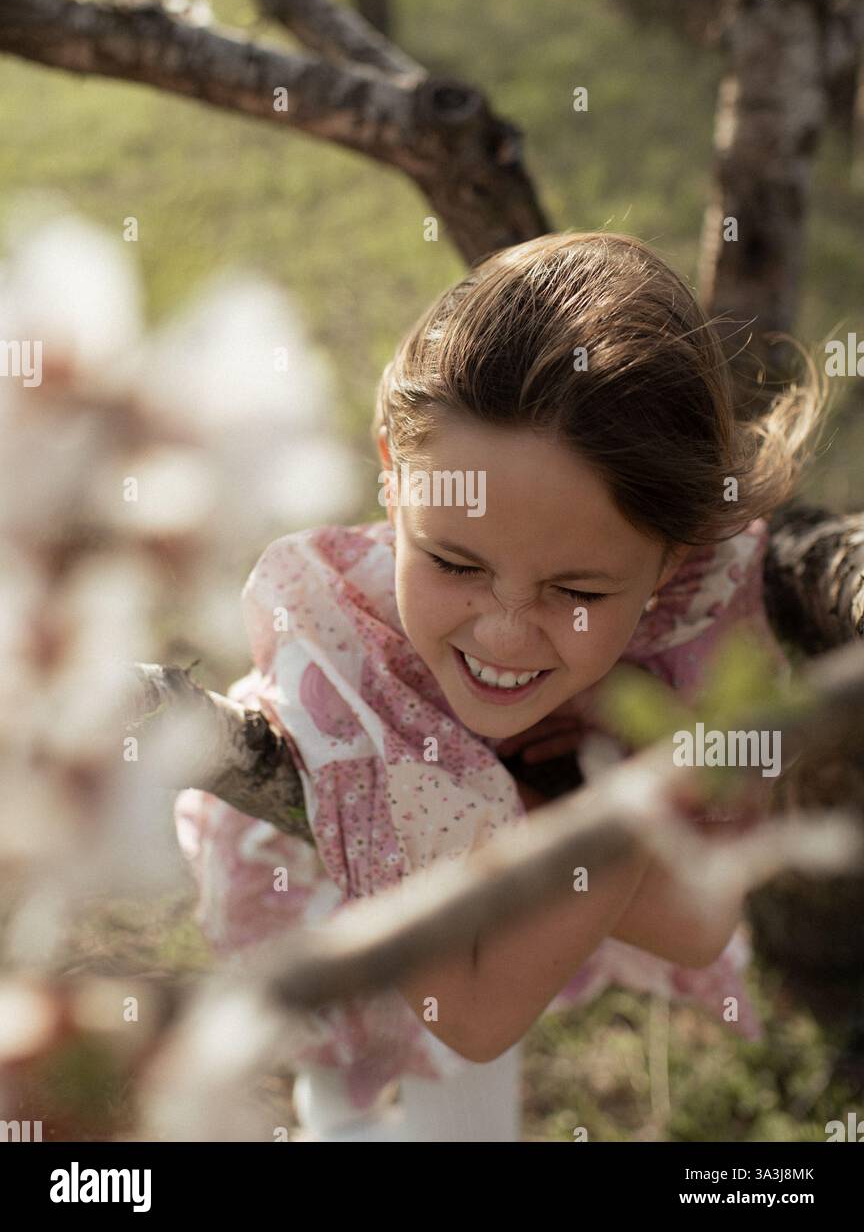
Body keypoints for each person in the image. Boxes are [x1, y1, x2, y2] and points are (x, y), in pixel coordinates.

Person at [174, 230, 828, 1140]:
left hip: (504, 927)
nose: (505, 633)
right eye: (455, 563)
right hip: (326, 906)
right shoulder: (342, 664)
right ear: (393, 474)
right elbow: (469, 1013)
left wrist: (567, 811)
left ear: (672, 557)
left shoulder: (695, 601)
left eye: (578, 592)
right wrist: (609, 797)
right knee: (351, 1085)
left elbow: (699, 922)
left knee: (465, 1120)